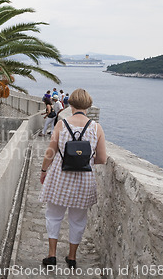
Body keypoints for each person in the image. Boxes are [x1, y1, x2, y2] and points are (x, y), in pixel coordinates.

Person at [39, 88, 107, 269]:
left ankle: (52, 256)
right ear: (88, 105)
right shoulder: (96, 128)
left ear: (71, 104)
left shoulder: (62, 124)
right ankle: (72, 257)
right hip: (84, 180)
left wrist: (44, 170)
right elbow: (102, 159)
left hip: (60, 177)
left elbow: (50, 152)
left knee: (53, 216)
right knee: (78, 220)